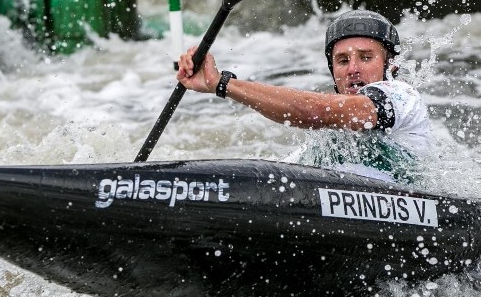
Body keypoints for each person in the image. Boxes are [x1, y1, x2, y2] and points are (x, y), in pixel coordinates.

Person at [176, 10, 435, 183]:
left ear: (391, 66)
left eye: (366, 57)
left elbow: (316, 112)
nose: (353, 69)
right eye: (342, 60)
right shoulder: (328, 142)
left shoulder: (402, 98)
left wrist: (222, 83)